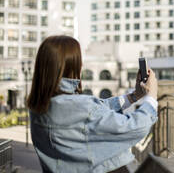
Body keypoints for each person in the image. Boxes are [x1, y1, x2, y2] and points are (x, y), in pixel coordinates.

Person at [27, 35, 158, 173]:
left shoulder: (37, 107)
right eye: (79, 61)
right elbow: (135, 127)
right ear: (71, 66)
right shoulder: (80, 107)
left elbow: (95, 109)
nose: (82, 65)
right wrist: (152, 96)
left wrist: (134, 96)